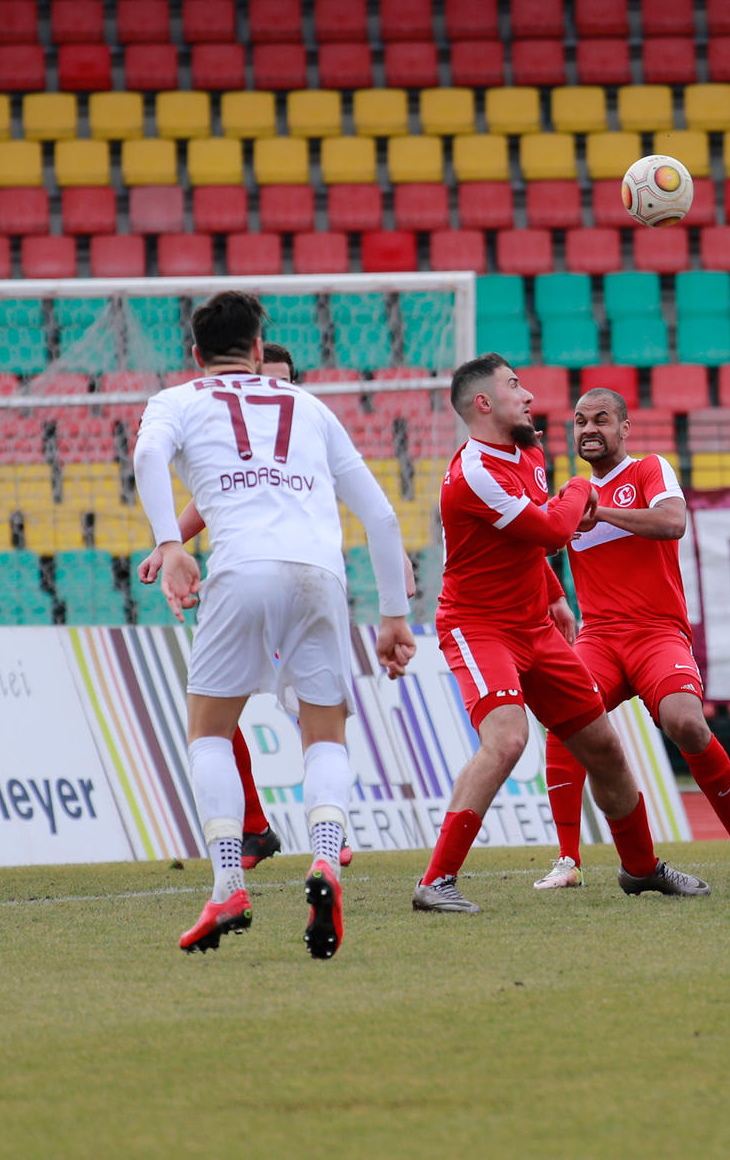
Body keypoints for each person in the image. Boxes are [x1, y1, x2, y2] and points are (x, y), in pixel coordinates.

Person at [134, 293, 416, 959]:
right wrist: (393, 619)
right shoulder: (311, 407)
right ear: (261, 351)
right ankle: (325, 859)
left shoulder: (177, 399)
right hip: (319, 574)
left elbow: (148, 459)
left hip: (240, 568)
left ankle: (229, 879)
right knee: (325, 735)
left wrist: (170, 542)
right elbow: (380, 516)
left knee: (207, 730)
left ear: (197, 355)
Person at [411, 354, 710, 913]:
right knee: (507, 740)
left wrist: (551, 595)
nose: (527, 396)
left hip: (534, 628)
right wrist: (577, 486)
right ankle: (436, 881)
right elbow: (552, 525)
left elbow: (529, 538)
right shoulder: (474, 472)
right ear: (483, 404)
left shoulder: (525, 449)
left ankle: (641, 870)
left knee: (605, 749)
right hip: (480, 628)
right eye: (514, 386)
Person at [530, 388, 730, 891]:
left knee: (685, 723)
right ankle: (567, 861)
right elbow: (536, 551)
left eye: (601, 419)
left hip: (657, 633)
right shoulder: (569, 493)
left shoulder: (648, 471)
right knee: (564, 720)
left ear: (625, 428)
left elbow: (672, 523)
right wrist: (555, 599)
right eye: (579, 422)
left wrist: (600, 512)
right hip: (598, 636)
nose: (589, 430)